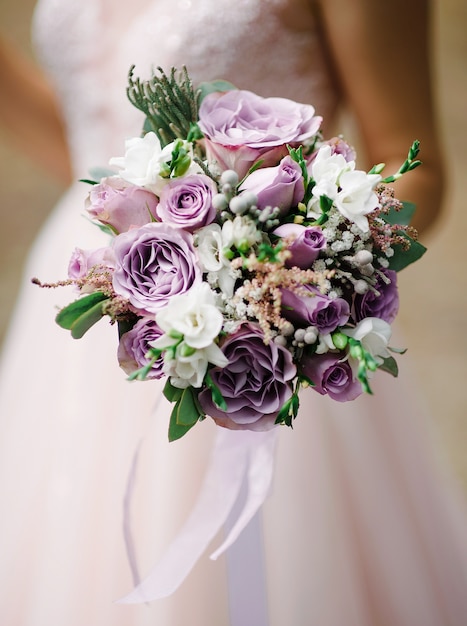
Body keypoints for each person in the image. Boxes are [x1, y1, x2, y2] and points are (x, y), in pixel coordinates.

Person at [0, 1, 466, 625]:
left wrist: (273, 274)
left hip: (269, 305)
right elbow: (85, 142)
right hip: (93, 305)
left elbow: (419, 170)